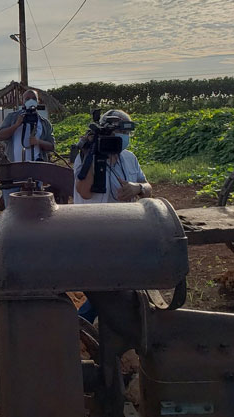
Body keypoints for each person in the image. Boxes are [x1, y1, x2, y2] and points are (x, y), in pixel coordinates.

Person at [73, 109, 152, 323]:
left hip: (126, 231)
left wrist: (138, 188)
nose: (123, 138)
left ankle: (92, 326)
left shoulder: (129, 158)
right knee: (104, 289)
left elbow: (148, 186)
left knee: (120, 285)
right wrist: (92, 153)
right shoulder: (86, 157)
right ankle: (80, 327)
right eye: (119, 132)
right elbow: (84, 191)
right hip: (95, 234)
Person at [0, 88, 55, 206]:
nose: (30, 101)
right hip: (13, 170)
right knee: (12, 207)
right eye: (27, 99)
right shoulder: (12, 117)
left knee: (35, 207)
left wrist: (38, 142)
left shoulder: (44, 122)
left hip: (36, 171)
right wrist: (16, 125)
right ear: (22, 102)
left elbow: (52, 146)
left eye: (33, 98)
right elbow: (0, 136)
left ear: (38, 102)